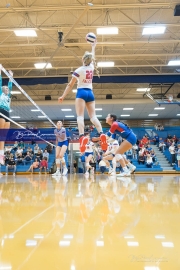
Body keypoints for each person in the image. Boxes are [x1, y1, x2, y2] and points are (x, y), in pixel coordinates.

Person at [58, 42, 106, 152]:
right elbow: (93, 57)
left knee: (80, 116)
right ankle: (101, 133)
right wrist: (93, 46)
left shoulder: (79, 70)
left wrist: (63, 96)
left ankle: (81, 136)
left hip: (81, 92)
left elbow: (70, 85)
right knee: (93, 117)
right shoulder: (92, 67)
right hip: (90, 93)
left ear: (83, 59)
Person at [0, 65, 13, 165]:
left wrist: (11, 76)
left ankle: (1, 154)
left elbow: (10, 85)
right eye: (6, 89)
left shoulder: (8, 95)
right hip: (1, 111)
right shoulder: (1, 93)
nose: (7, 89)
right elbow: (0, 81)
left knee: (4, 136)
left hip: (7, 113)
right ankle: (1, 155)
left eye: (7, 89)